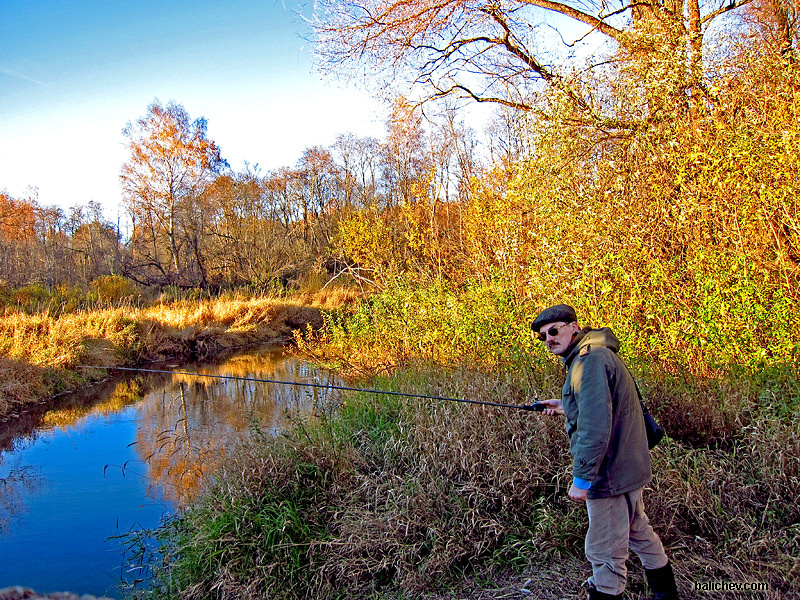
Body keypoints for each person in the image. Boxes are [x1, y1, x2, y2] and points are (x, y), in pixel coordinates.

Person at [532, 304, 679, 600]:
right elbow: (602, 407)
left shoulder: (589, 361)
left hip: (609, 473)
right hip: (626, 467)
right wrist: (563, 406)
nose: (549, 338)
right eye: (543, 336)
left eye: (554, 330)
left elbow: (595, 426)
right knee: (639, 532)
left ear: (574, 327)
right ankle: (667, 595)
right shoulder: (594, 354)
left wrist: (583, 479)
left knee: (605, 552)